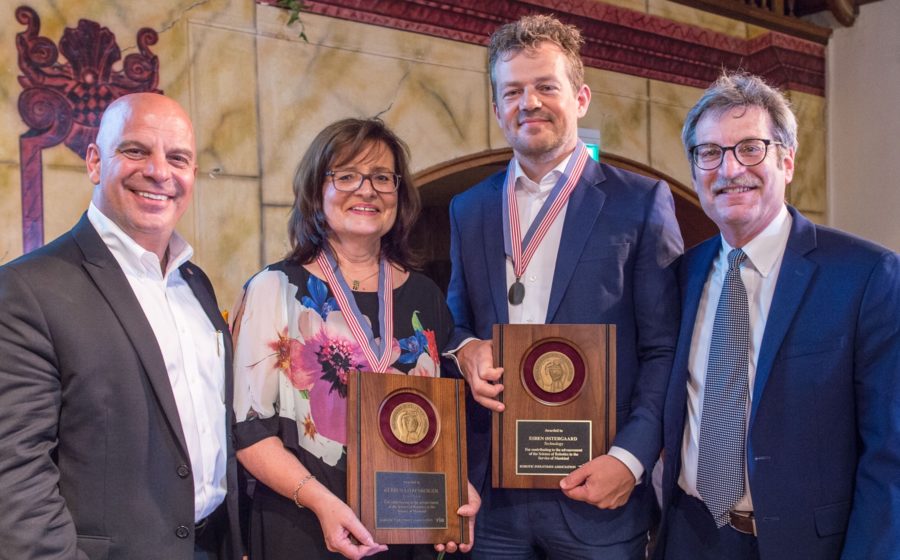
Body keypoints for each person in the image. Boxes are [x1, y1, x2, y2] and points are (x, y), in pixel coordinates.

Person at [446, 14, 684, 559]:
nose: (529, 103)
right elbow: (457, 322)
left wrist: (631, 459)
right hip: (494, 498)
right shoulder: (470, 208)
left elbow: (664, 349)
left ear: (580, 97)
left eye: (545, 87)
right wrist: (466, 351)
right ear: (496, 108)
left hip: (596, 490)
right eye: (513, 91)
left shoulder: (641, 203)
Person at [655, 72, 900, 559]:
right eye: (710, 153)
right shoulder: (680, 275)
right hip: (689, 537)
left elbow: (890, 454)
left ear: (787, 160)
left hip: (806, 546)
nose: (729, 170)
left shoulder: (867, 275)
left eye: (750, 148)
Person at [0, 93, 242, 559]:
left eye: (178, 158)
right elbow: (14, 475)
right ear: (94, 161)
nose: (159, 172)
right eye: (135, 151)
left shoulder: (196, 285)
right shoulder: (27, 289)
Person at [231, 118, 479, 560]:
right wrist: (322, 503)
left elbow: (434, 424)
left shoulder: (425, 295)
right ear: (316, 190)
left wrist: (455, 484)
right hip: (304, 526)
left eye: (382, 178)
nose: (367, 190)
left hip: (408, 531)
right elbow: (250, 432)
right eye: (346, 176)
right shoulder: (273, 290)